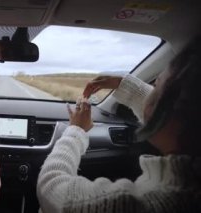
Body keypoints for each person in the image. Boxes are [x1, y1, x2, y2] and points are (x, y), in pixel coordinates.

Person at [37, 36, 201, 212]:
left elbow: (51, 188)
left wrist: (76, 131)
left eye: (158, 83)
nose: (152, 86)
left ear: (177, 110)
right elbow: (164, 110)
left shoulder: (135, 204)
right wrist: (125, 84)